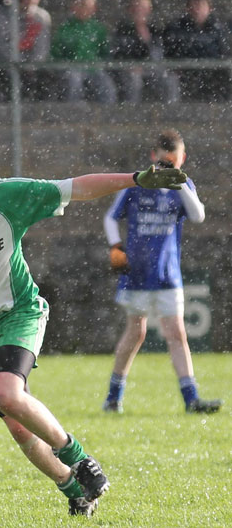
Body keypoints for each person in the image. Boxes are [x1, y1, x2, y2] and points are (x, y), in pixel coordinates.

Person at [0, 119, 187, 517]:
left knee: (7, 393)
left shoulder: (9, 196)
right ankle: (74, 489)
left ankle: (80, 459)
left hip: (19, 312)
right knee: (17, 424)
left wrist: (135, 179)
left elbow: (77, 187)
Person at [102, 128, 222, 414]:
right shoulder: (138, 184)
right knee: (136, 332)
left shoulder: (183, 186)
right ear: (153, 157)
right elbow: (110, 218)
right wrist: (116, 247)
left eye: (174, 161)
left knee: (176, 333)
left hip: (168, 274)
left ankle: (191, 399)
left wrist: (179, 184)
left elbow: (198, 215)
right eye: (164, 161)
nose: (168, 166)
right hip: (137, 274)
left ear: (182, 159)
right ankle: (113, 397)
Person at [51, 0, 117, 103]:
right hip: (71, 68)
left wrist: (99, 64)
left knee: (107, 86)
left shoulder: (98, 29)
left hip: (93, 68)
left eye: (87, 6)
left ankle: (107, 114)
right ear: (73, 7)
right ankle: (74, 111)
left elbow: (105, 52)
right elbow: (56, 52)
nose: (84, 9)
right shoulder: (65, 28)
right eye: (80, 5)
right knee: (74, 81)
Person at [113, 0, 179, 104]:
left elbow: (160, 54)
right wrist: (130, 65)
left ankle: (171, 111)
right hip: (130, 70)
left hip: (152, 69)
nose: (139, 10)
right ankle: (130, 111)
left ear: (149, 9)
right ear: (130, 9)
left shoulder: (155, 31)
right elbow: (119, 53)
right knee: (134, 80)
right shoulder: (122, 30)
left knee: (170, 79)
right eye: (136, 7)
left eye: (143, 7)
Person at [163, 0, 230, 101]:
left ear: (209, 8)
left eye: (201, 6)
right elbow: (170, 51)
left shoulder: (218, 29)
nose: (197, 9)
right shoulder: (176, 28)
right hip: (185, 71)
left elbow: (224, 52)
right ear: (187, 9)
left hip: (213, 72)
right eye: (193, 6)